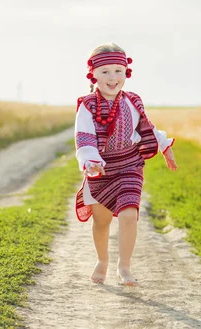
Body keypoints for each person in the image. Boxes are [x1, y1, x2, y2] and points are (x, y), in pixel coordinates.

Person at [74, 43, 178, 286]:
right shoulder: (87, 105)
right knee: (101, 221)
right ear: (94, 75)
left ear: (126, 72)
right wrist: (91, 161)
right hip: (100, 168)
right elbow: (84, 136)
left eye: (118, 71)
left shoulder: (133, 101)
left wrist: (165, 146)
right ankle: (102, 261)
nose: (113, 77)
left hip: (130, 165)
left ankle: (125, 267)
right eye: (106, 71)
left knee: (129, 214)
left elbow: (147, 127)